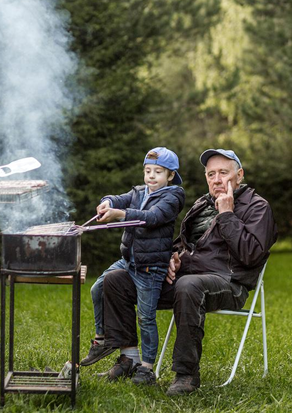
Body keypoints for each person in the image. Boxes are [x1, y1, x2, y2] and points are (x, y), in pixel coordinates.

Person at [98, 148, 277, 395]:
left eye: (223, 173)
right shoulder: (202, 204)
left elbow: (251, 254)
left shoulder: (258, 207)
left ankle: (186, 375)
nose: (216, 179)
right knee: (116, 279)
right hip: (185, 279)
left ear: (239, 175)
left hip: (228, 283)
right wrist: (172, 256)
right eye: (211, 174)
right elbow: (184, 243)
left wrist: (227, 213)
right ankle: (129, 359)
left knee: (189, 285)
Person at [80, 147, 185, 385]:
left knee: (145, 318)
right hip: (129, 261)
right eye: (148, 170)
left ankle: (146, 368)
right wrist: (107, 202)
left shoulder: (173, 196)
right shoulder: (138, 191)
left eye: (158, 171)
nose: (151, 176)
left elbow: (153, 217)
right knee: (97, 288)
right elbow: (119, 199)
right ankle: (102, 338)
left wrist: (120, 214)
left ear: (170, 175)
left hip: (151, 268)